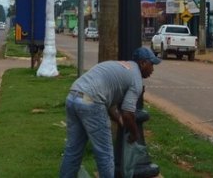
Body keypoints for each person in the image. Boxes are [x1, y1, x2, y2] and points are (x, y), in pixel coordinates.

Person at [59, 46, 161, 178]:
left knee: (73, 150)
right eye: (151, 64)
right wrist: (134, 134)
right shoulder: (136, 79)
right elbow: (127, 113)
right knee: (105, 154)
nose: (152, 69)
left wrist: (119, 121)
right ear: (143, 63)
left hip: (73, 96)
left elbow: (111, 105)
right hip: (92, 102)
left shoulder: (122, 67)